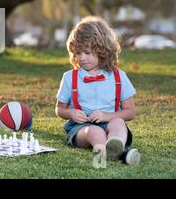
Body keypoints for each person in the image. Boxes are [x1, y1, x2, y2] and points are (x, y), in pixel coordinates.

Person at [55, 16, 141, 165]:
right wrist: (71, 113)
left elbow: (130, 112)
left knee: (118, 123)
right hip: (81, 128)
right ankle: (105, 153)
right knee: (94, 132)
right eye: (78, 53)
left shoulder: (118, 77)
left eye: (87, 53)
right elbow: (59, 109)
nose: (81, 58)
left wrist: (107, 116)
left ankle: (116, 146)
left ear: (103, 50)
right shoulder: (70, 78)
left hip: (109, 122)